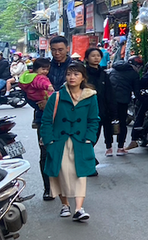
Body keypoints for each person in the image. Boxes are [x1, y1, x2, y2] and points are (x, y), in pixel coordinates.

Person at [39, 62, 99, 222]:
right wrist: (49, 141)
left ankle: (79, 209)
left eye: (76, 74)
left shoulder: (90, 96)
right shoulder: (57, 96)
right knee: (61, 173)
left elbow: (94, 120)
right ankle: (65, 204)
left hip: (80, 142)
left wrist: (89, 139)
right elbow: (46, 121)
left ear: (83, 77)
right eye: (69, 74)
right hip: (59, 141)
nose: (72, 77)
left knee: (79, 174)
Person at [18, 58, 55, 200]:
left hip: (63, 116)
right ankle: (49, 188)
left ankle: (64, 185)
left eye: (61, 49)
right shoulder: (39, 78)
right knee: (45, 152)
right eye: (55, 49)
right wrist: (42, 103)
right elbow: (35, 89)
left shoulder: (70, 68)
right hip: (44, 118)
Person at [84, 48, 113, 161]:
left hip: (101, 110)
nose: (96, 58)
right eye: (93, 55)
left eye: (98, 56)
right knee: (88, 137)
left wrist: (112, 111)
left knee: (94, 136)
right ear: (87, 58)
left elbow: (109, 93)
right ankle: (88, 160)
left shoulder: (104, 74)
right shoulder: (83, 74)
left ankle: (87, 159)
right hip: (85, 110)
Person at [109, 56, 142, 154]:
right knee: (122, 123)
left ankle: (108, 148)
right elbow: (137, 92)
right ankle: (120, 148)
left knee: (108, 123)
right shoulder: (134, 74)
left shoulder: (113, 70)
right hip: (123, 101)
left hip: (110, 100)